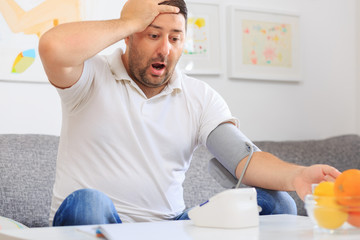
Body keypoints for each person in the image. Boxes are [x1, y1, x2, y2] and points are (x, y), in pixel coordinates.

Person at [39, 0, 340, 226]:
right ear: (128, 36)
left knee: (279, 204)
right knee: (89, 202)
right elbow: (52, 46)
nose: (165, 50)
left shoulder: (199, 97)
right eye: (153, 35)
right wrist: (130, 21)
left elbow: (243, 158)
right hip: (95, 224)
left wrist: (299, 175)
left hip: (169, 229)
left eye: (175, 38)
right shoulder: (90, 77)